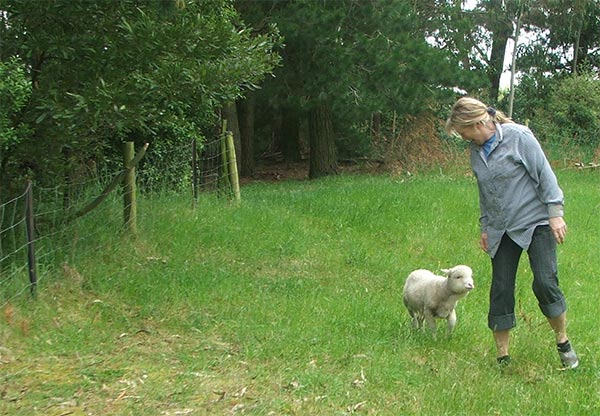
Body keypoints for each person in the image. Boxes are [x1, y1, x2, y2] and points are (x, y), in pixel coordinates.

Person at [445, 97, 578, 369]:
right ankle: (502, 357)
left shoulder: (519, 137)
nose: (463, 137)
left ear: (478, 122)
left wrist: (555, 214)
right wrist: (485, 227)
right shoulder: (475, 150)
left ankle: (563, 342)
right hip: (501, 227)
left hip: (535, 221)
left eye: (463, 131)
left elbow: (545, 175)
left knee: (545, 282)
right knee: (501, 288)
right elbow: (484, 191)